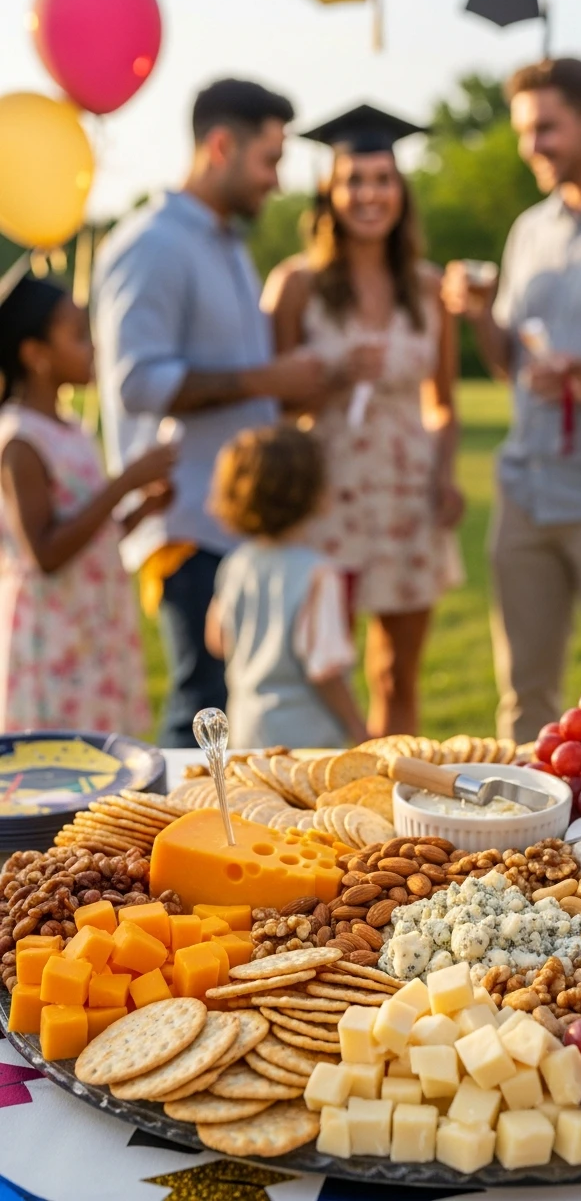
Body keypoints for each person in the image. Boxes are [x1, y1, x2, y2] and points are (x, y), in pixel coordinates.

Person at [442, 57, 581, 742]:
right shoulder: (528, 230)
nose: (529, 146)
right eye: (523, 130)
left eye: (545, 127)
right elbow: (510, 362)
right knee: (524, 702)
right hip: (523, 491)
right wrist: (482, 317)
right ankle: (521, 846)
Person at [94, 78, 326, 747]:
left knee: (230, 711)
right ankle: (158, 850)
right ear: (221, 145)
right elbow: (138, 383)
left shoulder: (222, 242)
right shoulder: (153, 245)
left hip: (232, 522)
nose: (276, 181)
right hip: (188, 520)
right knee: (201, 713)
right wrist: (267, 376)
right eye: (269, 160)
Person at [262, 104, 464, 739]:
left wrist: (445, 475)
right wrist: (335, 375)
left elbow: (445, 401)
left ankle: (390, 800)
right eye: (353, 180)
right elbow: (274, 408)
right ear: (329, 190)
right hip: (327, 496)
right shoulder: (296, 285)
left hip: (406, 495)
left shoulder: (429, 290)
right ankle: (327, 806)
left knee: (395, 675)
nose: (368, 194)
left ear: (401, 192)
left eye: (382, 180)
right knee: (322, 668)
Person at [0, 276, 176, 734]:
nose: (93, 347)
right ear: (35, 354)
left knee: (104, 764)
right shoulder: (19, 439)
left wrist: (140, 512)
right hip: (54, 637)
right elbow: (46, 552)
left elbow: (88, 533)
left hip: (93, 625)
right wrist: (123, 485)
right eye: (78, 335)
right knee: (59, 769)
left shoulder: (71, 427)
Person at [205, 425, 366, 749]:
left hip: (246, 728)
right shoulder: (318, 574)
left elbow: (217, 641)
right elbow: (325, 669)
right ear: (313, 493)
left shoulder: (236, 563)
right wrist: (359, 729)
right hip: (307, 739)